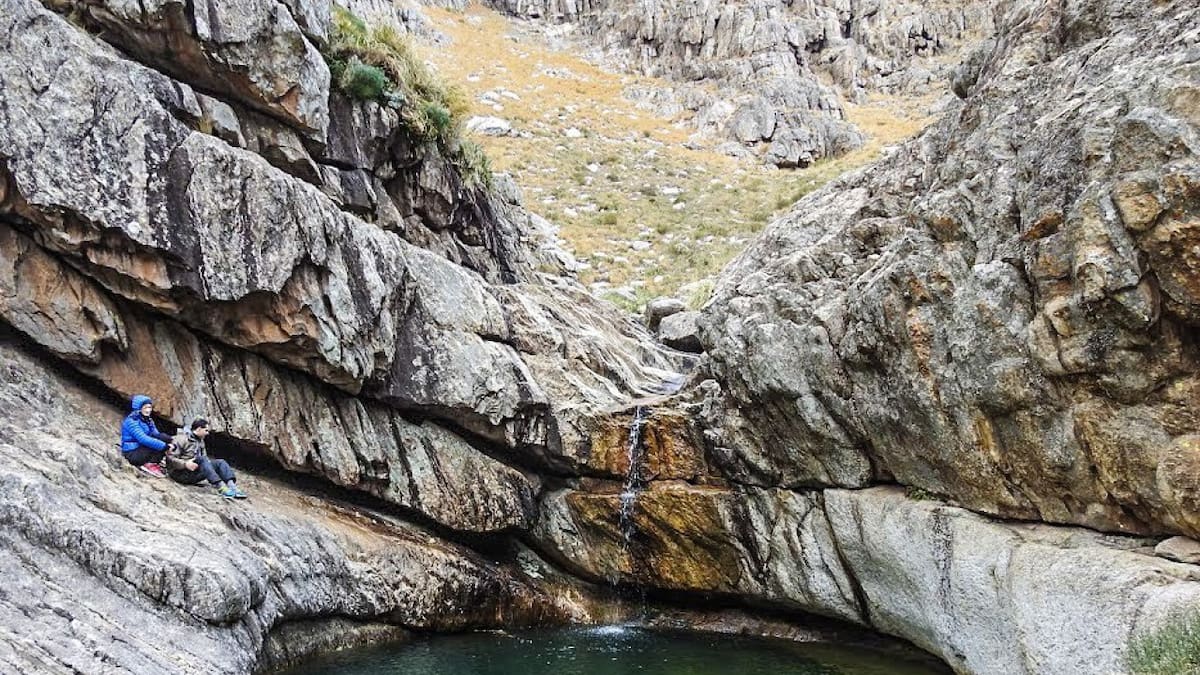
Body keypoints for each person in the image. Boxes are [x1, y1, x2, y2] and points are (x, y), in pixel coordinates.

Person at [164, 418, 247, 499]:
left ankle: (232, 486)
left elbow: (204, 459)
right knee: (202, 459)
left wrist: (208, 467)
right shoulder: (181, 439)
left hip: (193, 471)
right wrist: (185, 464)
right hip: (179, 473)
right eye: (206, 430)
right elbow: (170, 458)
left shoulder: (200, 441)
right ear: (199, 429)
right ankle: (221, 487)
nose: (207, 433)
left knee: (220, 462)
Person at [120, 394, 173, 478]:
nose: (148, 410)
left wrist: (170, 441)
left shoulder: (148, 421)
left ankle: (155, 461)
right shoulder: (132, 421)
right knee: (158, 444)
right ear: (139, 408)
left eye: (150, 407)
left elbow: (156, 435)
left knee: (163, 438)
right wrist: (165, 447)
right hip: (132, 452)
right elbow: (143, 439)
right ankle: (149, 464)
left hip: (140, 448)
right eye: (145, 408)